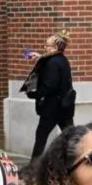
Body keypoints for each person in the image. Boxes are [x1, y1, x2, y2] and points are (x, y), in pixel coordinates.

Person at [26, 31, 75, 160]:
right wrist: (40, 57)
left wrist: (33, 94)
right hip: (65, 106)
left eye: (47, 46)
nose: (45, 48)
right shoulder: (62, 60)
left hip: (52, 108)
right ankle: (76, 161)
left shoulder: (52, 64)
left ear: (55, 48)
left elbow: (49, 86)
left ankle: (33, 167)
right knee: (71, 137)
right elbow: (51, 60)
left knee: (41, 137)